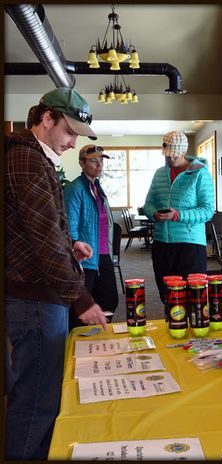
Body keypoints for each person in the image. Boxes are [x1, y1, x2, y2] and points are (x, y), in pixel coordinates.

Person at [5, 87, 109, 460]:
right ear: (46, 119)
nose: (72, 141)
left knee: (41, 393)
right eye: (69, 131)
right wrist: (82, 300)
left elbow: (41, 228)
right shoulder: (27, 159)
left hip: (38, 293)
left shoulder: (35, 157)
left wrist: (70, 245)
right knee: (37, 399)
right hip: (34, 298)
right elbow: (43, 239)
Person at [143, 130, 215, 302]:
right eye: (167, 155)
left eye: (173, 155)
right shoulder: (160, 173)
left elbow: (207, 210)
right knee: (168, 296)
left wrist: (178, 215)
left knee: (193, 297)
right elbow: (148, 204)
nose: (170, 159)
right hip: (162, 244)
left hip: (190, 245)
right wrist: (153, 213)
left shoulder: (200, 173)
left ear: (184, 151)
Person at [64, 144, 118, 330]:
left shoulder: (97, 188)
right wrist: (75, 250)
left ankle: (98, 337)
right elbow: (69, 225)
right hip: (85, 258)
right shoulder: (75, 189)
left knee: (111, 299)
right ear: (82, 163)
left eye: (101, 161)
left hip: (103, 254)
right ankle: (79, 344)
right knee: (81, 309)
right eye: (94, 161)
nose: (99, 165)